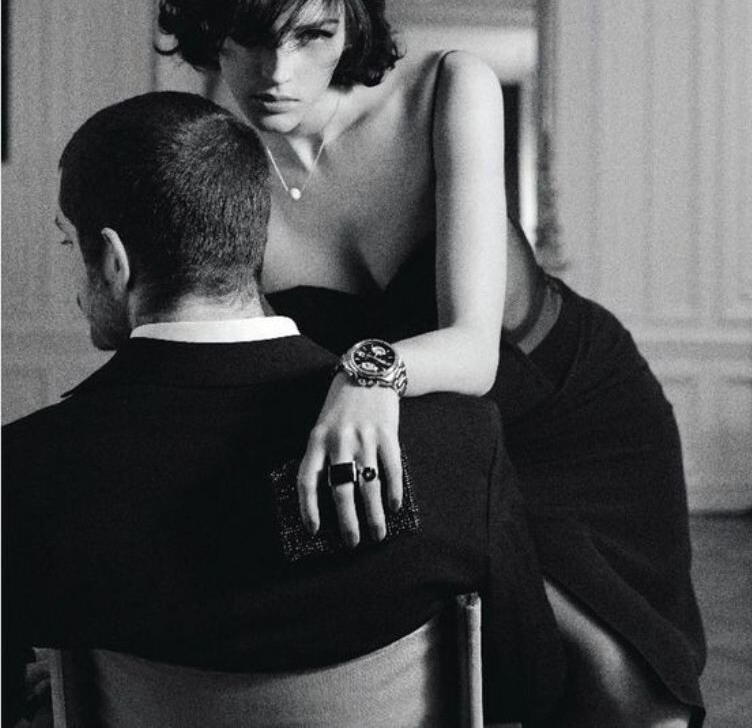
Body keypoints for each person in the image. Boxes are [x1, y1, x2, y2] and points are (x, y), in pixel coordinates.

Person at [148, 0, 707, 727]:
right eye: (249, 36)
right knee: (476, 684)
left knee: (633, 708)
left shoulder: (448, 89)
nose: (278, 72)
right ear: (209, 18)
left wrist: (364, 370)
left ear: (353, 18)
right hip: (437, 454)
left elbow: (474, 351)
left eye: (312, 34)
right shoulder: (214, 160)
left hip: (571, 411)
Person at [2, 91, 565, 727]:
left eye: (68, 246)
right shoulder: (457, 447)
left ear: (113, 259)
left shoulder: (21, 472)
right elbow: (530, 690)